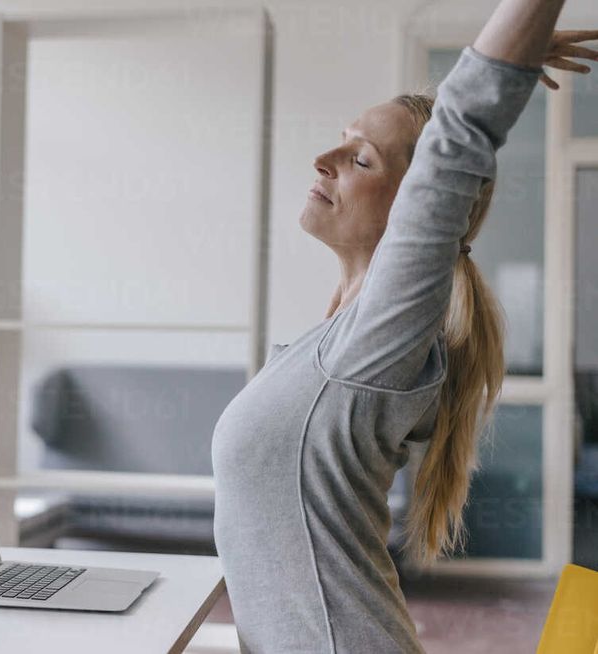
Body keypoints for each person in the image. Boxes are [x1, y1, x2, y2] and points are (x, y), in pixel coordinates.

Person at [210, 0, 598, 651]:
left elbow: (460, 132)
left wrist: (498, 65)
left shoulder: (376, 342)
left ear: (415, 211)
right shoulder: (338, 341)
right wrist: (501, 62)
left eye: (362, 160)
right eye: (342, 139)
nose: (325, 158)